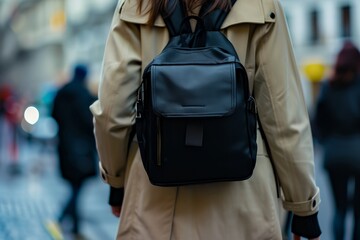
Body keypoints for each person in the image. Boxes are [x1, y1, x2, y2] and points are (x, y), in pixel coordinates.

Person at [90, 0, 322, 239]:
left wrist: (116, 180)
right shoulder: (262, 5)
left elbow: (112, 114)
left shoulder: (135, 5)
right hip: (243, 204)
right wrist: (304, 205)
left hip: (154, 200)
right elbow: (283, 114)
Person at [314, 41, 360, 240]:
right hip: (358, 154)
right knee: (359, 212)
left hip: (333, 154)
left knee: (339, 209)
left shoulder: (328, 85)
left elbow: (318, 121)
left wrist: (326, 142)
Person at [52, 64, 97, 239]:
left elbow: (54, 115)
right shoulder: (84, 95)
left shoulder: (61, 93)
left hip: (64, 147)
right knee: (77, 187)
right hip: (81, 148)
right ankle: (62, 219)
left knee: (75, 186)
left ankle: (74, 226)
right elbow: (89, 121)